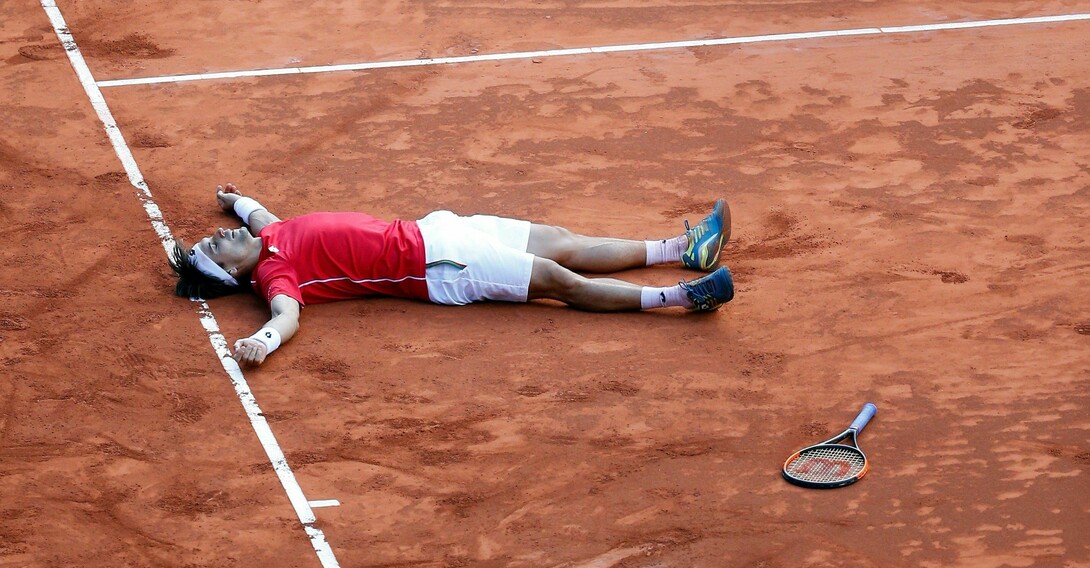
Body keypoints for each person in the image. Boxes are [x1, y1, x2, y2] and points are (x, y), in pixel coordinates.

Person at [170, 184, 734, 367]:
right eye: (211, 248)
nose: (215, 236)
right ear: (229, 272)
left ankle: (686, 248)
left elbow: (260, 214)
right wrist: (262, 342)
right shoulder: (273, 273)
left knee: (564, 242)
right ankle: (684, 296)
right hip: (440, 267)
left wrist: (235, 200)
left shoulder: (269, 234)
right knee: (560, 280)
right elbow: (287, 315)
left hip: (439, 229)